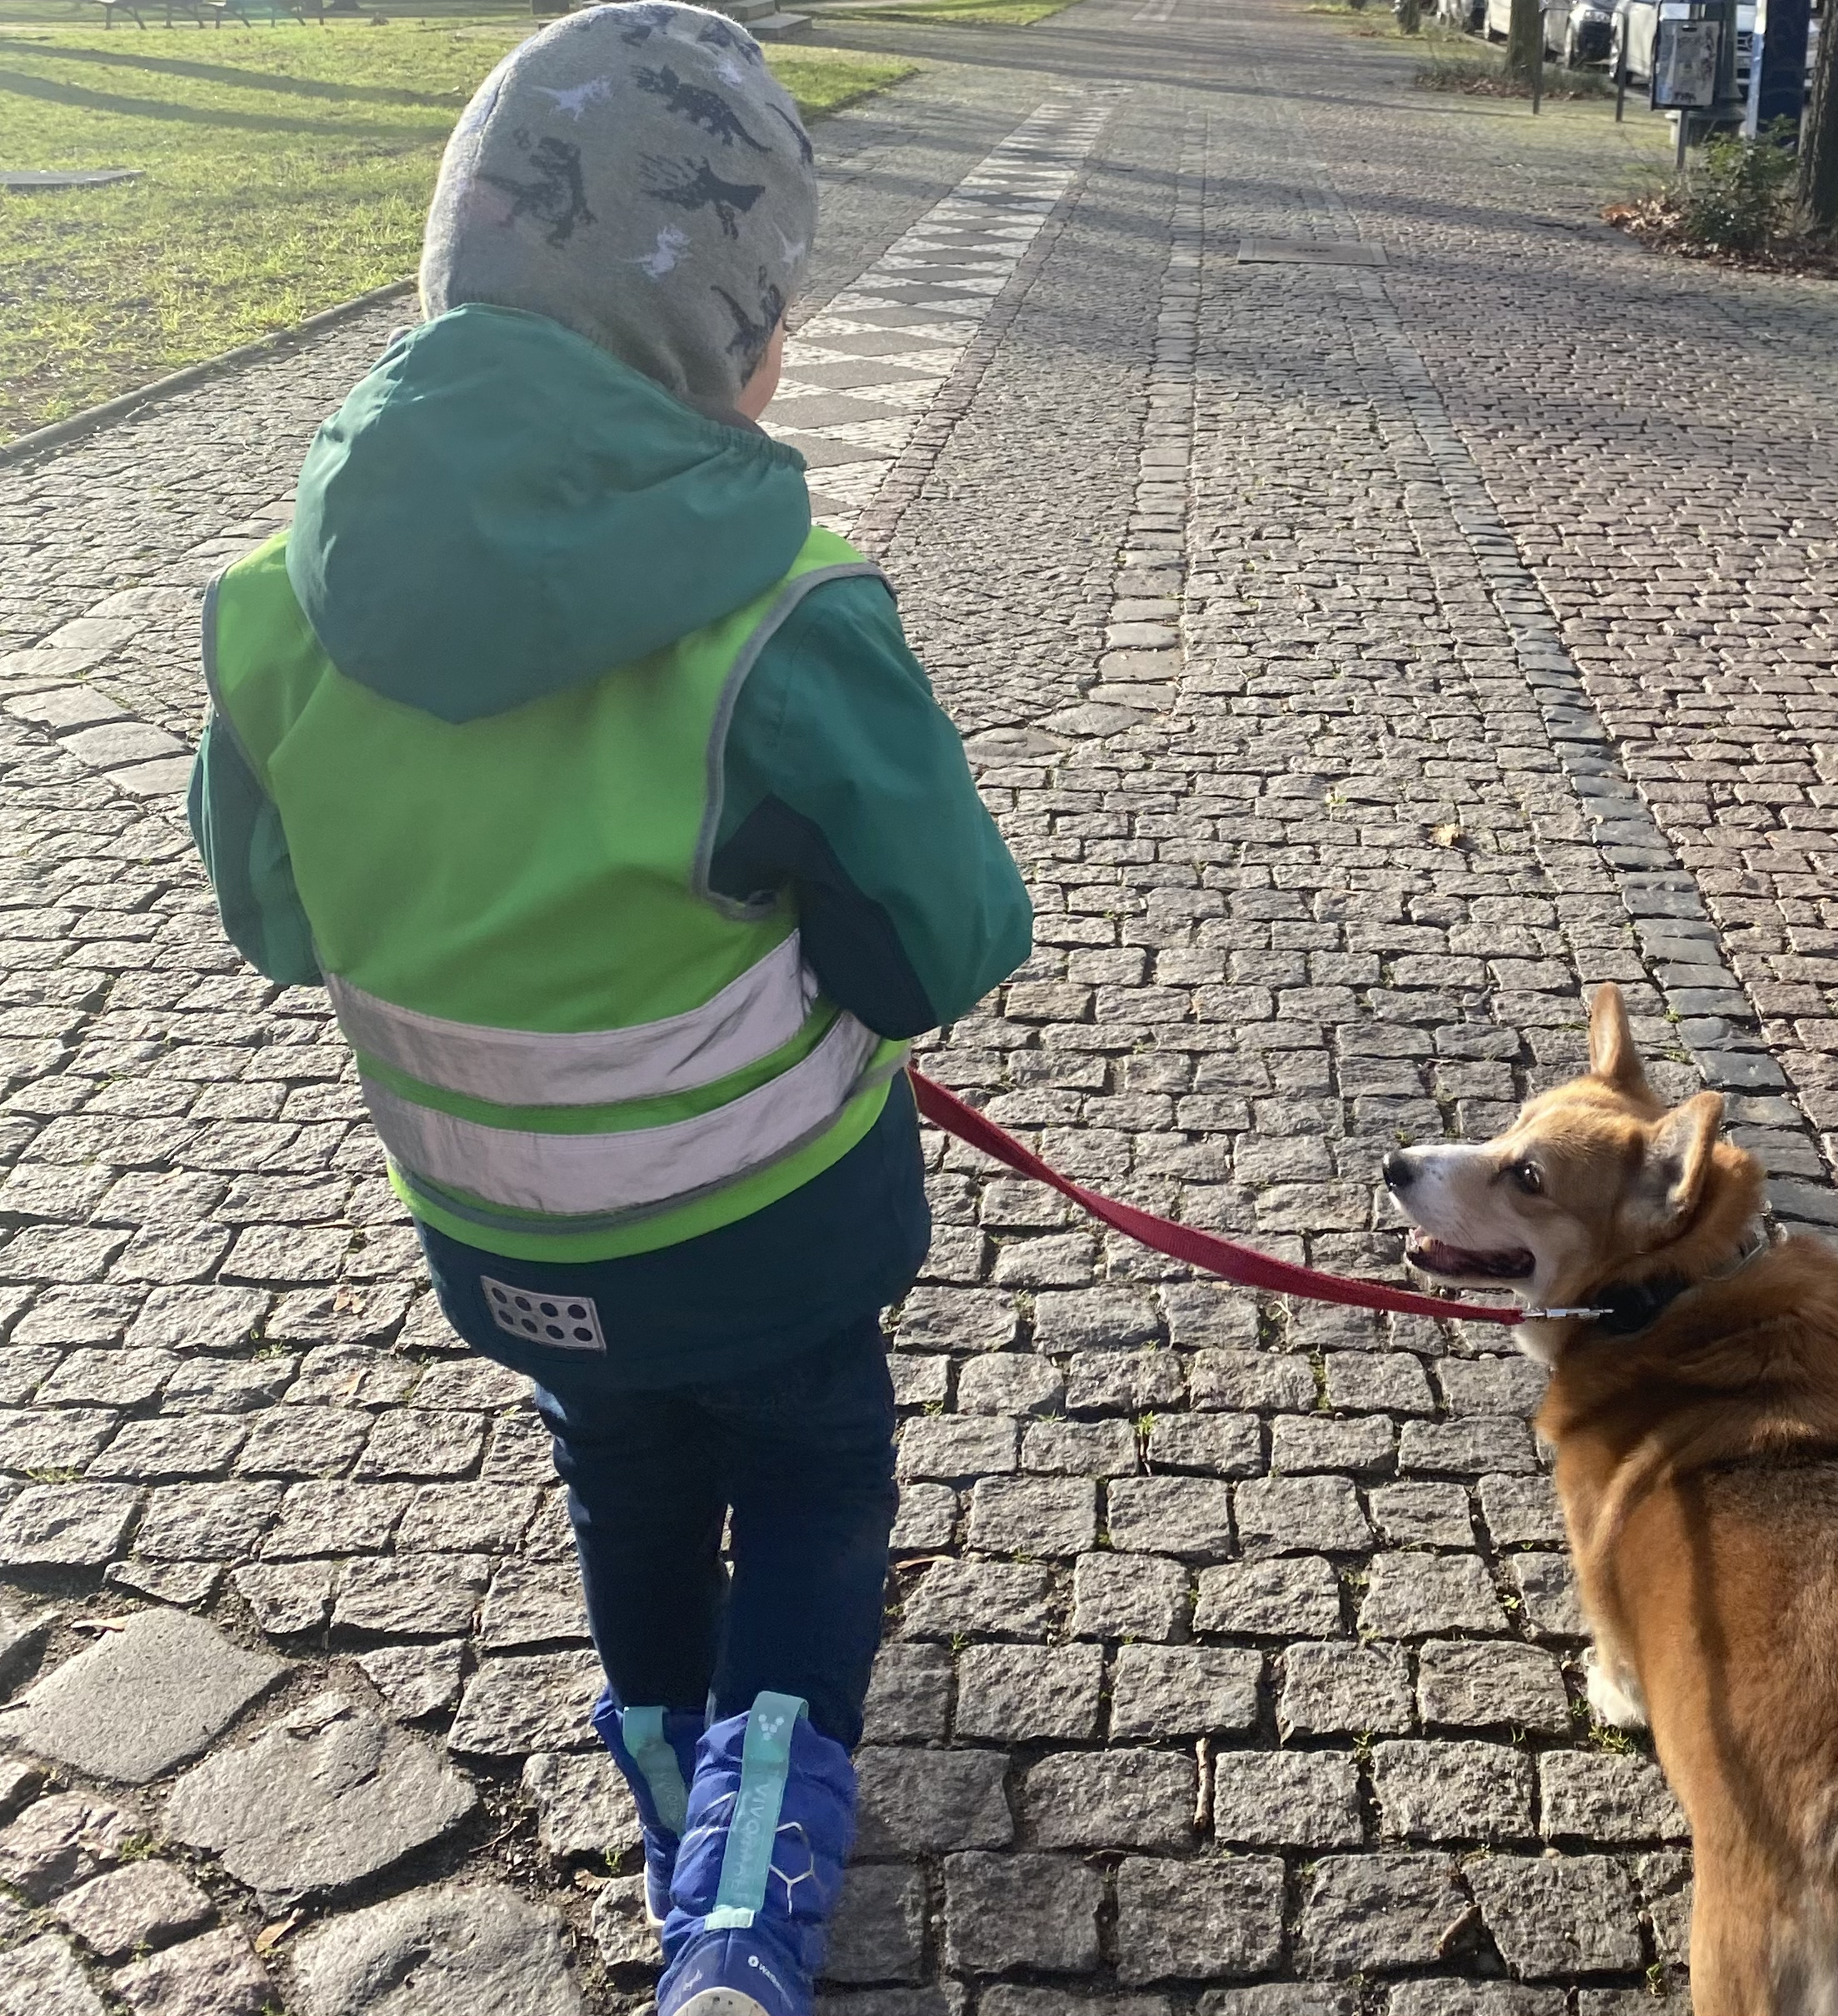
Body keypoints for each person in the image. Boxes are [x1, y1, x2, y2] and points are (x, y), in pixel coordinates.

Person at [186, 8, 1031, 2013]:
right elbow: (944, 938)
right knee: (817, 1481)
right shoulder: (789, 614)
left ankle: (661, 1758)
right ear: (747, 346)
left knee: (624, 1470)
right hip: (775, 1229)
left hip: (502, 1236)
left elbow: (276, 920)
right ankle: (743, 1906)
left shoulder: (266, 612)